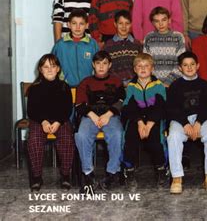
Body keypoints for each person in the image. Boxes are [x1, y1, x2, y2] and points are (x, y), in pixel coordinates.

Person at [166, 51, 207, 194]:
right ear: (180, 68)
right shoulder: (175, 86)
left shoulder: (204, 84)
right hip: (181, 120)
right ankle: (177, 178)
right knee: (173, 137)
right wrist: (185, 123)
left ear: (198, 66)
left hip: (201, 119)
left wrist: (198, 122)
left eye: (192, 64)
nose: (189, 68)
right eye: (185, 65)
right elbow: (172, 108)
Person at [74, 51, 125, 194]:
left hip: (110, 116)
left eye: (104, 63)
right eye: (98, 63)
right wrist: (93, 116)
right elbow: (79, 105)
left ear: (110, 65)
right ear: (93, 65)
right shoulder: (85, 82)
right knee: (82, 135)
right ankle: (88, 174)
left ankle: (112, 173)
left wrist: (109, 114)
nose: (101, 67)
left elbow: (121, 101)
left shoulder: (116, 81)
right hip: (90, 116)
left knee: (117, 134)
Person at [27, 54, 74, 192]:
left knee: (66, 140)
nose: (49, 69)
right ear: (40, 70)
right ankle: (36, 177)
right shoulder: (34, 88)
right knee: (34, 140)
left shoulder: (64, 86)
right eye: (45, 67)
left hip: (60, 121)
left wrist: (59, 121)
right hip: (40, 121)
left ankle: (65, 175)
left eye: (53, 66)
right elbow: (31, 110)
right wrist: (43, 121)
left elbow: (67, 108)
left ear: (58, 69)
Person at [121, 53, 167, 191]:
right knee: (129, 138)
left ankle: (161, 170)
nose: (143, 69)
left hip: (155, 118)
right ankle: (129, 171)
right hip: (137, 118)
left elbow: (161, 106)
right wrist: (140, 122)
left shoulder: (158, 85)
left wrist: (150, 123)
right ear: (134, 69)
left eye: (146, 66)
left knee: (156, 140)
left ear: (152, 68)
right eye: (139, 66)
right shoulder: (131, 86)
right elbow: (129, 107)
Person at [52, 9, 99, 87]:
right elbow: (53, 64)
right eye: (74, 23)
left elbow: (98, 64)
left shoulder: (92, 44)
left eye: (81, 24)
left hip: (87, 87)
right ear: (69, 25)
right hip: (65, 88)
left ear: (87, 25)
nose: (78, 27)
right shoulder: (60, 45)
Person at [143, 6, 185, 87]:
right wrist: (155, 82)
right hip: (153, 83)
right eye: (157, 21)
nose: (161, 24)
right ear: (152, 23)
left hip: (175, 82)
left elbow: (180, 62)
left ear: (169, 20)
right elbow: (147, 63)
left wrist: (168, 82)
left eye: (164, 20)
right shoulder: (148, 38)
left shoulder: (178, 37)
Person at [103, 10, 142, 86]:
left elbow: (141, 66)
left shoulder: (137, 45)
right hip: (115, 85)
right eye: (120, 23)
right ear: (115, 24)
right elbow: (105, 68)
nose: (124, 27)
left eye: (127, 23)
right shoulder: (108, 46)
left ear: (131, 24)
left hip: (135, 85)